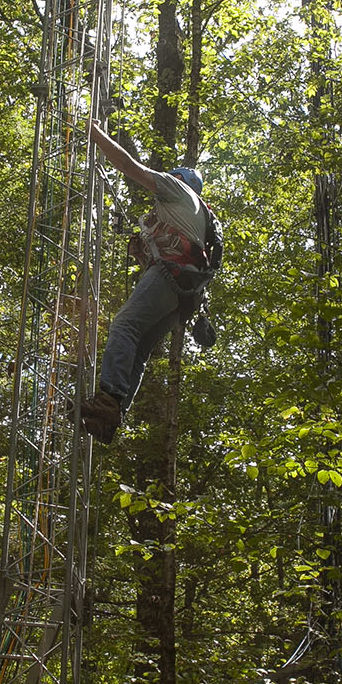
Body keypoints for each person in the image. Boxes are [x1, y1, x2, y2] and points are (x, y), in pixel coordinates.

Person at [78, 118, 217, 444]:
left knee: (124, 325)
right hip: (185, 297)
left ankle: (108, 398)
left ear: (179, 180)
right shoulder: (197, 214)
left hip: (171, 278)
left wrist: (95, 133)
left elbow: (129, 166)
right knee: (138, 349)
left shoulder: (175, 188)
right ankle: (112, 416)